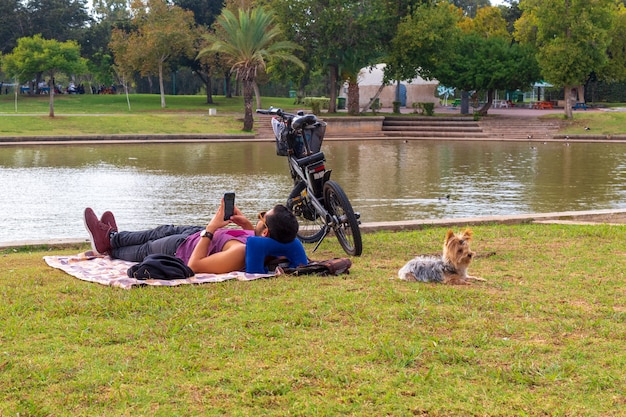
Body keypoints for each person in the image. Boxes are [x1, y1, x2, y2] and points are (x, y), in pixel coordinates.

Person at [83, 200, 308, 274]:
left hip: (181, 248)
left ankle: (108, 245)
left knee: (145, 248)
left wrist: (211, 228)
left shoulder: (239, 253)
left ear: (266, 231)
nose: (258, 219)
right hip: (195, 234)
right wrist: (247, 225)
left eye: (261, 217)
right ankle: (113, 236)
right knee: (159, 230)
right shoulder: (261, 239)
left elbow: (196, 265)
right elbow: (253, 238)